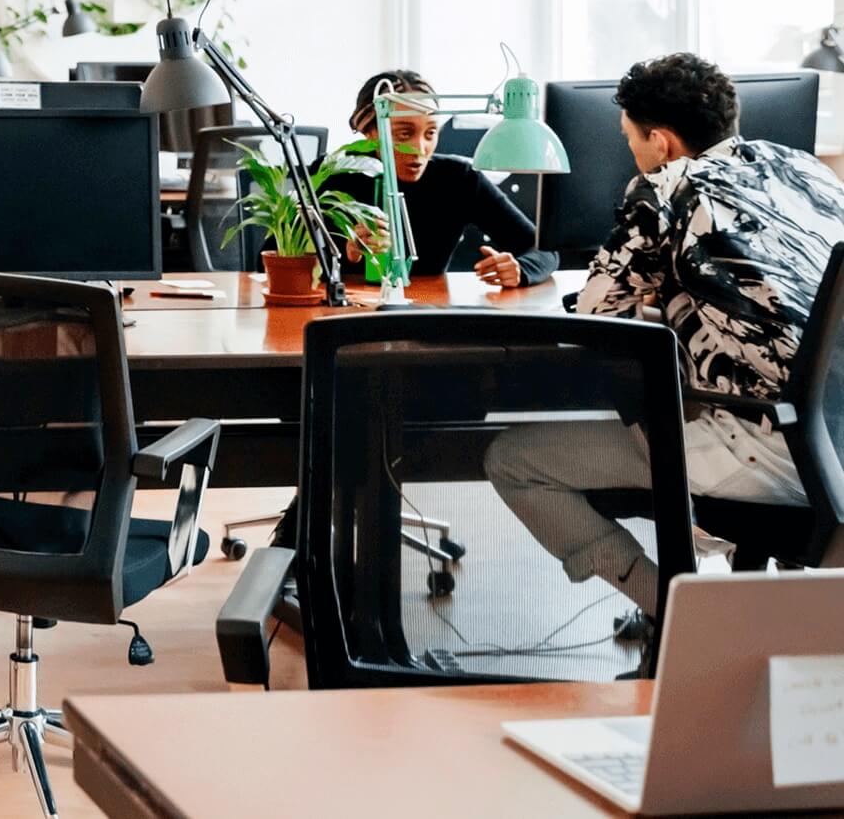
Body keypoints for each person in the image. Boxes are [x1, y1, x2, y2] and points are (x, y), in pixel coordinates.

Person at [485, 53, 844, 617]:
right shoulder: (805, 170)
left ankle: (682, 616)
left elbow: (597, 317)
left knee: (514, 460)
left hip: (767, 446)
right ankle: (727, 595)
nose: (629, 152)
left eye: (630, 139)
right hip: (835, 443)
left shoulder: (665, 189)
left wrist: (647, 294)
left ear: (662, 142)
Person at [325, 69, 558, 288]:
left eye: (430, 133)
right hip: (350, 316)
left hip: (431, 311)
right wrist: (350, 253)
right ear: (370, 132)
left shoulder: (458, 179)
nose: (419, 148)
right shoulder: (334, 177)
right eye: (404, 134)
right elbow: (297, 265)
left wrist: (520, 269)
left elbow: (544, 250)